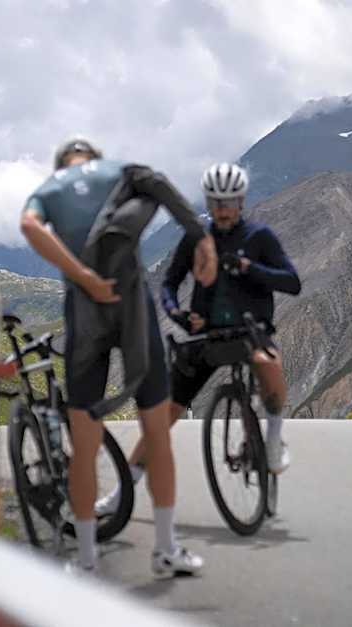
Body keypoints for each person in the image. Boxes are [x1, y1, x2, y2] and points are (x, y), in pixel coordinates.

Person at [20, 137, 216, 575]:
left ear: (62, 163)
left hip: (84, 310)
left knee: (84, 444)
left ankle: (87, 561)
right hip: (133, 309)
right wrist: (201, 239)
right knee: (157, 434)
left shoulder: (50, 189)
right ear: (94, 159)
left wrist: (84, 277)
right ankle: (165, 550)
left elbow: (30, 228)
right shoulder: (120, 172)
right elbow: (161, 186)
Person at [97, 162, 301, 517]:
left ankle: (271, 440)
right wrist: (177, 314)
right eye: (216, 202)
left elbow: (292, 282)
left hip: (251, 330)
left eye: (230, 202)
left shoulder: (259, 237)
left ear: (241, 201)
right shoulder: (195, 239)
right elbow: (170, 284)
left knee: (269, 364)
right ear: (208, 201)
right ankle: (120, 495)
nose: (222, 209)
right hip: (205, 336)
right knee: (162, 418)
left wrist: (250, 268)